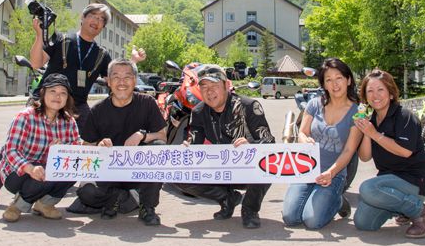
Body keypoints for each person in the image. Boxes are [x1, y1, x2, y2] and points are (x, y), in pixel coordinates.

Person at [0, 2, 145, 209]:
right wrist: (38, 35)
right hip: (46, 99)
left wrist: (134, 62)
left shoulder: (102, 54)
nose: (96, 22)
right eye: (94, 16)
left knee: (93, 141)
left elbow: (118, 78)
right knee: (15, 144)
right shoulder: (62, 39)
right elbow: (36, 62)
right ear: (83, 17)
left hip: (77, 105)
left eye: (101, 20)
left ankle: (88, 190)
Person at [67, 58, 166, 226]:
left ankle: (146, 206)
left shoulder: (147, 103)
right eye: (116, 77)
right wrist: (98, 147)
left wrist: (142, 135)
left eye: (127, 77)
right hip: (109, 175)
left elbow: (162, 137)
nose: (122, 82)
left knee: (159, 148)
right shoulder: (97, 110)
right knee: (86, 193)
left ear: (135, 80)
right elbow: (86, 148)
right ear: (108, 81)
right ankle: (118, 198)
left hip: (138, 173)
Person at [176, 64, 275, 229]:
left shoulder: (249, 106)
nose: (209, 91)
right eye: (204, 86)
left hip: (248, 169)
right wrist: (187, 150)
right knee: (179, 174)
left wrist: (251, 145)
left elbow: (269, 143)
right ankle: (227, 198)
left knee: (268, 165)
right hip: (220, 171)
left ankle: (250, 210)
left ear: (227, 86)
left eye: (214, 86)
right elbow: (195, 143)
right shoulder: (199, 112)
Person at [353, 69, 425, 238]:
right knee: (363, 223)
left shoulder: (405, 116)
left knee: (367, 188)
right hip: (389, 182)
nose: (375, 95)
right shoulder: (372, 120)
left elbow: (405, 151)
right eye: (370, 91)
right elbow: (365, 157)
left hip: (415, 180)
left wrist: (375, 134)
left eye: (380, 90)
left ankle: (421, 213)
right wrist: (367, 132)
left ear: (391, 94)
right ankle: (403, 209)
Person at [282, 58, 362, 229]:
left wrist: (331, 173)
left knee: (312, 221)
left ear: (348, 80)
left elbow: (349, 150)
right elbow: (302, 133)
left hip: (334, 174)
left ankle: (338, 201)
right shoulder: (314, 104)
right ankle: (324, 198)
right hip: (307, 169)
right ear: (324, 84)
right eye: (329, 80)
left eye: (339, 78)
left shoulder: (357, 112)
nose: (335, 84)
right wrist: (305, 139)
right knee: (291, 217)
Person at [0, 73, 80, 222]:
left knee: (74, 168)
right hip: (17, 173)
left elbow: (77, 145)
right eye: (53, 91)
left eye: (63, 93)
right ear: (43, 93)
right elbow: (11, 151)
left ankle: (44, 204)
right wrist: (30, 168)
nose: (58, 96)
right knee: (45, 172)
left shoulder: (69, 121)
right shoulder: (25, 116)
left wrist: (65, 148)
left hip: (46, 169)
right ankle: (16, 206)